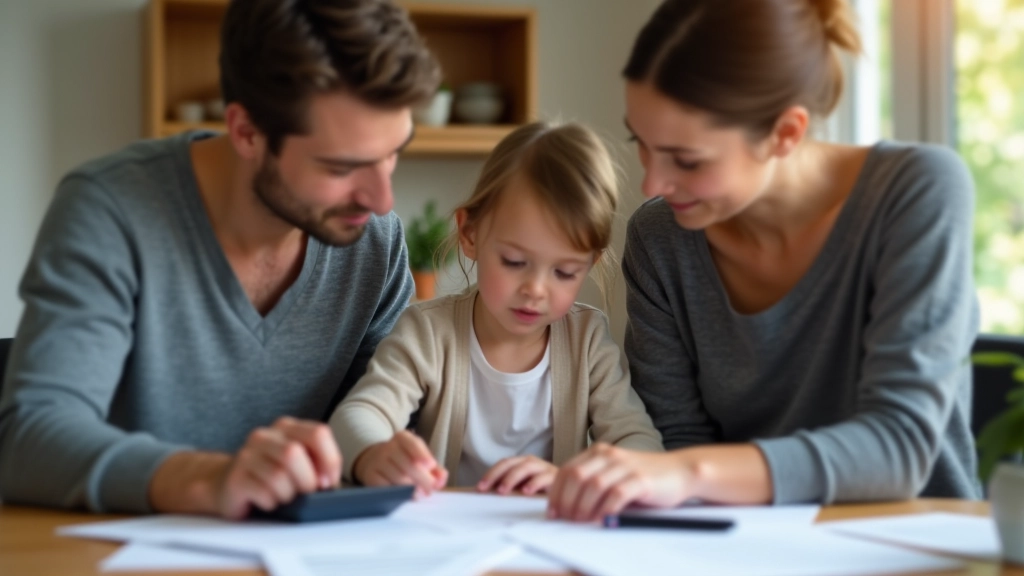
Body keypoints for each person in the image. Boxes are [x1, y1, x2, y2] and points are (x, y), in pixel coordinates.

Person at [0, 0, 440, 518]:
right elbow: (28, 440)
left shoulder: (373, 241)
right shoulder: (110, 211)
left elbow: (388, 420)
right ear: (246, 131)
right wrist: (207, 477)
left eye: (394, 153)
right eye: (343, 166)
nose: (382, 200)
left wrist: (383, 455)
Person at [547, 0, 981, 522]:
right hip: (746, 546)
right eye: (642, 143)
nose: (653, 184)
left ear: (786, 132)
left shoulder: (917, 190)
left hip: (924, 543)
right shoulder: (660, 238)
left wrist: (687, 472)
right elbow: (678, 437)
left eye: (687, 160)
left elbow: (899, 446)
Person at [329, 122, 663, 497]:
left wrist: (578, 477)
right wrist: (374, 453)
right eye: (514, 261)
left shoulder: (586, 339)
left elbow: (638, 440)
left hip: (546, 538)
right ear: (470, 235)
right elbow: (357, 416)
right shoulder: (427, 331)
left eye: (564, 272)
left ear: (591, 263)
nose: (535, 290)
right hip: (445, 534)